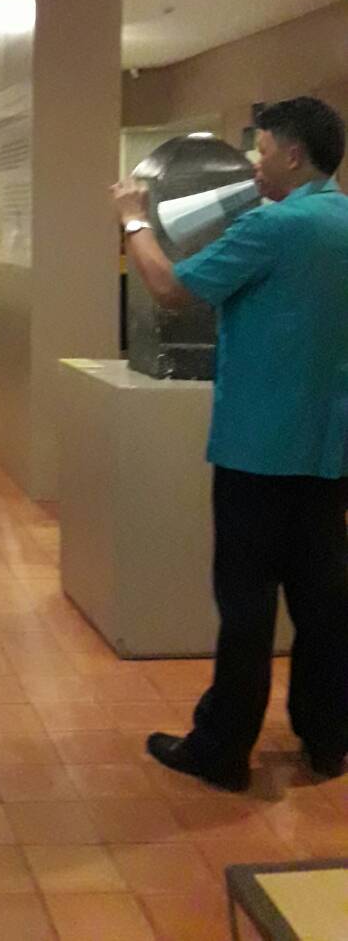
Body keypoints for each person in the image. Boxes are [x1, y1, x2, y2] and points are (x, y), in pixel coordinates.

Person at [114, 96, 348, 791]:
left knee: (246, 603)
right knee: (324, 599)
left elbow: (169, 288)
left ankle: (223, 747)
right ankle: (328, 736)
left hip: (258, 448)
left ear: (294, 155)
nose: (254, 162)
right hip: (330, 447)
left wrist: (132, 217)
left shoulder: (275, 226)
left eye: (263, 149)